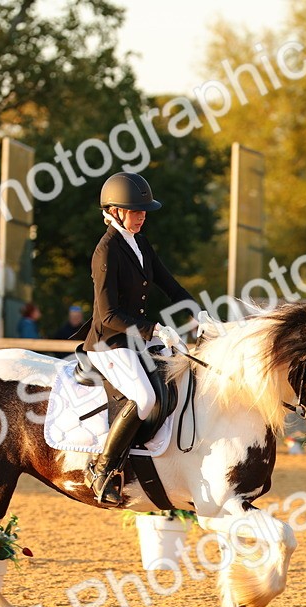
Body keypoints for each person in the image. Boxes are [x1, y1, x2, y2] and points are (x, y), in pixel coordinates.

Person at [82, 171, 197, 505]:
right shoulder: (106, 251)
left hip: (136, 339)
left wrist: (197, 312)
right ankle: (103, 471)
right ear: (115, 211)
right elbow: (107, 315)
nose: (143, 215)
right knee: (145, 399)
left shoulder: (140, 242)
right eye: (136, 210)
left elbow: (168, 283)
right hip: (109, 343)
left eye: (144, 210)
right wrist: (155, 330)